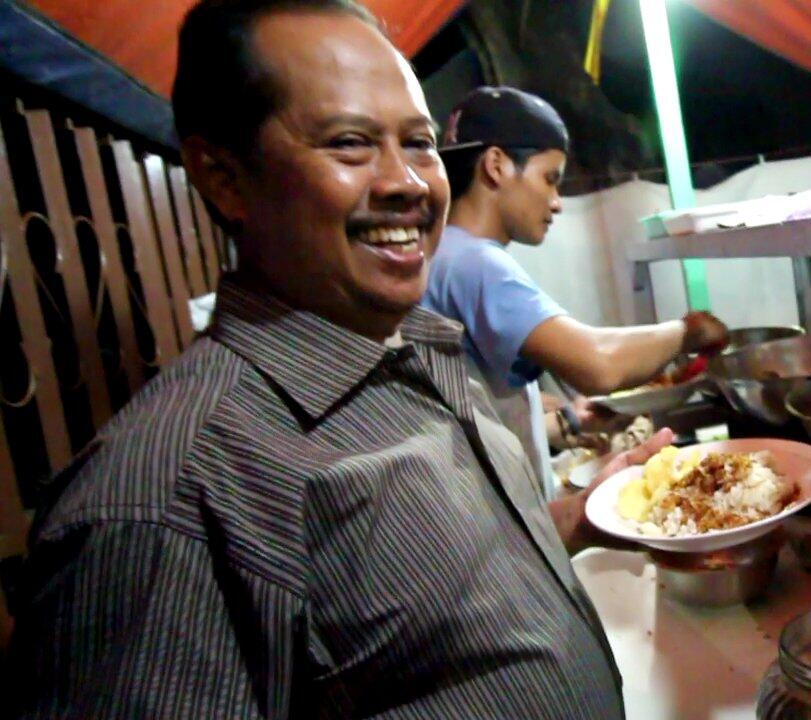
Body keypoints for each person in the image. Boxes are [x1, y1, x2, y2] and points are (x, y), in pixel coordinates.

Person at [5, 1, 666, 716]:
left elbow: (434, 604)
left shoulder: (416, 352)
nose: (408, 183)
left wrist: (582, 516)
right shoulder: (160, 505)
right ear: (223, 177)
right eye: (350, 143)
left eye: (417, 143)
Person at [423, 86, 728, 498]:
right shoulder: (476, 263)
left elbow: (478, 397)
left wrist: (570, 419)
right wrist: (687, 332)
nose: (556, 202)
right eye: (550, 180)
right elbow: (598, 363)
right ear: (496, 165)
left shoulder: (442, 253)